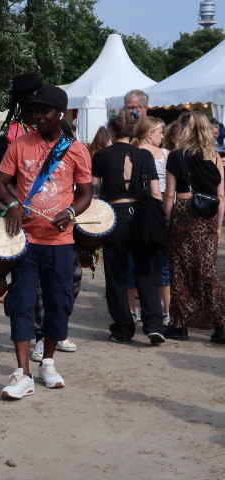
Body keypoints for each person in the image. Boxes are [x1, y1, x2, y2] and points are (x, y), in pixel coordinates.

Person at [0, 85, 92, 399]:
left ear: (60, 114)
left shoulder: (76, 149)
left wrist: (72, 210)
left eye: (44, 111)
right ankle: (22, 373)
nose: (36, 116)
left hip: (60, 243)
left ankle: (47, 362)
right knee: (21, 304)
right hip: (25, 242)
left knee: (58, 303)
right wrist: (11, 205)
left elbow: (87, 193)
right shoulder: (20, 145)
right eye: (33, 110)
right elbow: (0, 184)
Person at [92, 108, 165, 345]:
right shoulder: (145, 156)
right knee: (147, 270)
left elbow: (94, 193)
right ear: (132, 130)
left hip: (114, 215)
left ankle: (123, 328)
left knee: (117, 275)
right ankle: (154, 324)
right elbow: (155, 193)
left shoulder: (101, 157)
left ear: (111, 130)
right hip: (142, 214)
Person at [163, 111, 225, 343]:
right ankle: (221, 323)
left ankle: (179, 324)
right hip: (208, 215)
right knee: (207, 270)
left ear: (184, 129)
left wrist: (167, 219)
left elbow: (169, 195)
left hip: (184, 212)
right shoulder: (215, 156)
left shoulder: (176, 156)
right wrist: (218, 226)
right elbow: (221, 195)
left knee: (179, 269)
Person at [131, 116, 171, 325]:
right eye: (160, 132)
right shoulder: (162, 155)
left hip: (138, 207)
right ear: (150, 133)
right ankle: (165, 310)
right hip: (157, 208)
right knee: (160, 261)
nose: (163, 136)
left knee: (138, 261)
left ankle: (134, 309)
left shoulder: (134, 153)